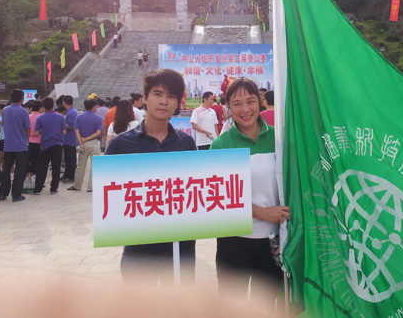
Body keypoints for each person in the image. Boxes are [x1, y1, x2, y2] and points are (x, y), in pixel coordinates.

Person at [106, 69, 197, 284]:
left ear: (177, 103)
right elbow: (108, 198)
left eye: (171, 96)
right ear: (145, 97)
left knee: (180, 303)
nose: (164, 101)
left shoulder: (186, 143)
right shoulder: (120, 145)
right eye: (157, 94)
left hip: (180, 248)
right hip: (139, 250)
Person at [211, 78, 289, 305]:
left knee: (264, 305)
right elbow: (217, 199)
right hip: (233, 241)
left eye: (250, 101)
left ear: (261, 102)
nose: (245, 109)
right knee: (231, 305)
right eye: (237, 104)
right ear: (228, 106)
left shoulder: (279, 139)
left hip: (273, 242)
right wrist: (261, 212)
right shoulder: (221, 145)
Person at [0, 89, 31, 202]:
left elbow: (5, 124)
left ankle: (3, 193)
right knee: (19, 170)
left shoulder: (5, 110)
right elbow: (28, 128)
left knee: (6, 169)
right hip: (20, 145)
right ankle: (16, 194)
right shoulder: (23, 111)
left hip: (8, 144)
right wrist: (26, 138)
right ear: (22, 98)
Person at [32, 97, 66, 195]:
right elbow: (64, 132)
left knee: (42, 167)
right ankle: (53, 188)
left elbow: (36, 133)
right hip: (57, 145)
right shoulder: (60, 117)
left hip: (45, 145)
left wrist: (43, 131)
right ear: (53, 105)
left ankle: (38, 188)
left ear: (43, 106)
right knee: (56, 167)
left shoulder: (40, 118)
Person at [68, 99, 102, 193]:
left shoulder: (79, 117)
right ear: (94, 106)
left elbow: (76, 131)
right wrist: (87, 139)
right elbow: (98, 132)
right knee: (94, 166)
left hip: (82, 144)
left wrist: (81, 142)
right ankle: (91, 187)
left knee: (81, 165)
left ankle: (77, 185)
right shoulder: (98, 118)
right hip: (94, 143)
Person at [61, 95, 78, 184]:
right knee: (67, 158)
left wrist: (62, 125)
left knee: (71, 159)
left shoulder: (72, 113)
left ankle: (71, 176)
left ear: (64, 103)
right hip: (67, 139)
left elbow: (71, 126)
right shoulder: (70, 112)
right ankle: (66, 174)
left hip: (70, 139)